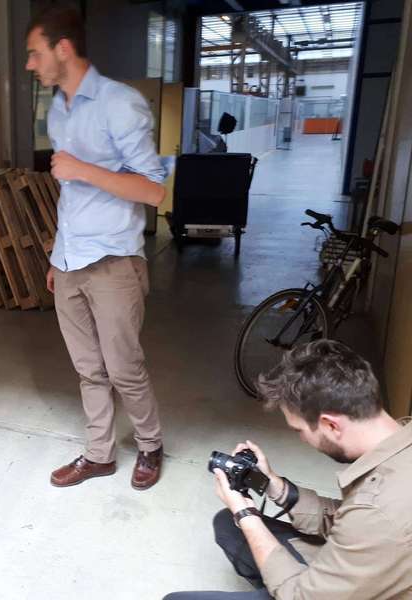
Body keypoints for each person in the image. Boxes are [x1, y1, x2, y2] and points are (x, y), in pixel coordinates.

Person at [25, 6, 167, 490]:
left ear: (62, 49)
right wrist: (56, 256)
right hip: (70, 261)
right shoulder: (59, 109)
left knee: (124, 369)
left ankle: (150, 445)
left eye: (34, 53)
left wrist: (83, 169)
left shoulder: (119, 103)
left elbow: (153, 191)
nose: (29, 64)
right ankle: (99, 455)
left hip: (113, 262)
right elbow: (72, 195)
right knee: (88, 370)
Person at [165, 339, 412, 599]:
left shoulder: (377, 510)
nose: (302, 439)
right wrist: (276, 486)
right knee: (227, 525)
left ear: (331, 426)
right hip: (361, 568)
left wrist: (246, 513)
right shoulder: (396, 449)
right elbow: (346, 519)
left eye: (300, 431)